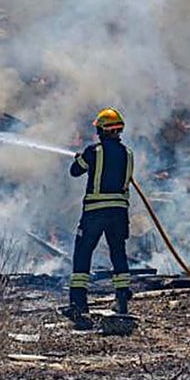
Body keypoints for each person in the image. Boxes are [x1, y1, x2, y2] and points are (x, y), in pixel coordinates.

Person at [64, 107, 134, 321]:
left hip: (95, 213)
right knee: (118, 253)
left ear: (103, 130)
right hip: (119, 214)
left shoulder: (93, 151)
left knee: (83, 253)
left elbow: (75, 171)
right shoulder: (128, 154)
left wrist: (81, 158)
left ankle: (78, 304)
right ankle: (122, 299)